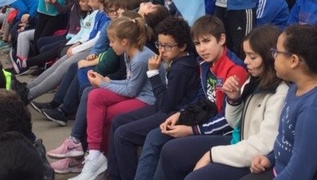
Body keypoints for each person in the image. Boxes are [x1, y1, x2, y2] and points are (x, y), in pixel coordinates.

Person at [156, 25, 288, 180]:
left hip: (251, 155)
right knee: (169, 150)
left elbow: (261, 145)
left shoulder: (279, 93)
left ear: (270, 57)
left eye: (252, 57)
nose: (246, 61)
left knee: (194, 176)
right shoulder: (254, 79)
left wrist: (210, 152)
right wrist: (233, 99)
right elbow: (234, 121)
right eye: (197, 43)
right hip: (238, 140)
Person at [134, 15, 248, 180]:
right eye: (197, 43)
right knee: (156, 136)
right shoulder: (205, 64)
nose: (202, 49)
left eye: (206, 41)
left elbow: (229, 120)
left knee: (171, 149)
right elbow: (202, 97)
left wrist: (192, 130)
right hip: (206, 120)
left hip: (225, 133)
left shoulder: (235, 71)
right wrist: (181, 114)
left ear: (222, 39)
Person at [241, 23, 317, 180]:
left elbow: (298, 174)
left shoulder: (315, 109)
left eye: (276, 52)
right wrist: (271, 158)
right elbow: (288, 140)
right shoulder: (296, 88)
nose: (273, 57)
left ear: (293, 60)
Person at [48, 15, 156, 180]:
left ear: (125, 42)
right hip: (137, 94)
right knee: (94, 94)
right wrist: (107, 81)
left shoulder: (140, 58)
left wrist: (103, 83)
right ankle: (94, 153)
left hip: (147, 100)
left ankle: (98, 156)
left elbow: (131, 91)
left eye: (112, 42)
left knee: (107, 111)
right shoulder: (128, 53)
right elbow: (129, 83)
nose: (110, 46)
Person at [107, 17, 200, 180]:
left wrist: (153, 73)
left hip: (173, 114)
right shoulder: (177, 60)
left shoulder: (182, 68)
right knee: (118, 121)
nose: (162, 51)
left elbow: (166, 105)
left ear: (182, 46)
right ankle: (114, 175)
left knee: (123, 135)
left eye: (167, 46)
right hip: (163, 108)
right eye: (160, 45)